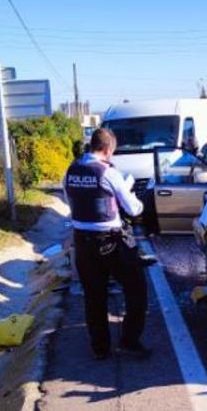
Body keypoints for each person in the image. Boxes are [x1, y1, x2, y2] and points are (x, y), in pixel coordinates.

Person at [63, 127, 149, 360]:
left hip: (82, 243)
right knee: (136, 290)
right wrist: (131, 195)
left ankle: (100, 348)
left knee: (94, 297)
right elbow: (133, 208)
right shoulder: (108, 173)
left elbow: (71, 201)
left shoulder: (70, 171)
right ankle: (130, 341)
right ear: (108, 149)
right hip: (110, 243)